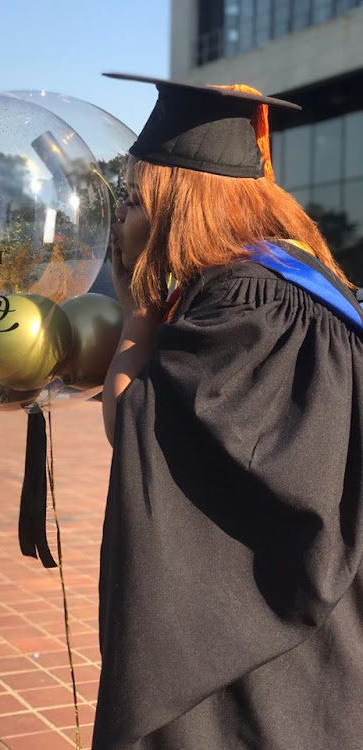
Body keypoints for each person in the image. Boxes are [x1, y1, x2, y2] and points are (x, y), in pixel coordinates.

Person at [94, 74, 363, 749]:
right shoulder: (298, 279)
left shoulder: (243, 309)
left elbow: (133, 427)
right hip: (318, 620)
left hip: (261, 647)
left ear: (177, 205)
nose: (120, 220)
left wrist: (136, 316)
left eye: (131, 200)